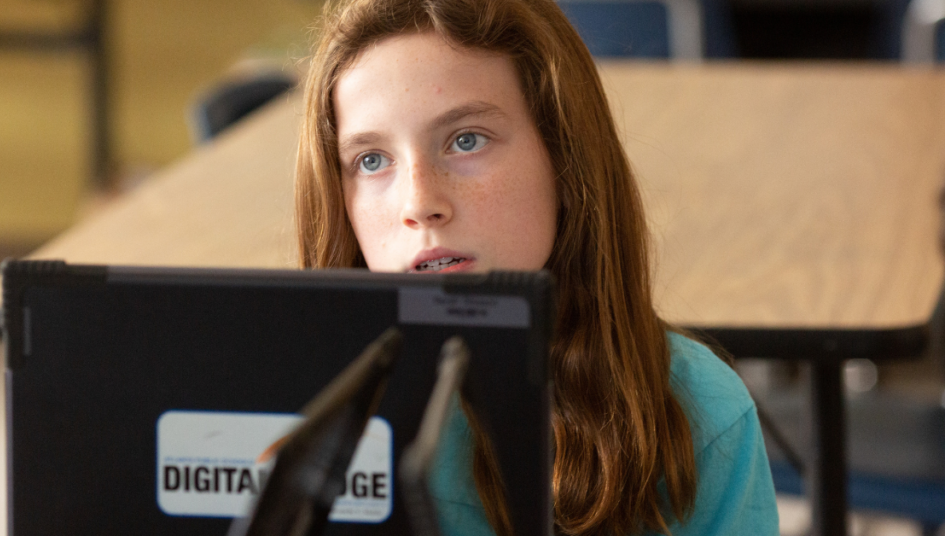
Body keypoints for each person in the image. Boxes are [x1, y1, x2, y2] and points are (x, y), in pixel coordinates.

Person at [293, 0, 780, 534]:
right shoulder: (291, 411)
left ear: (564, 157)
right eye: (371, 160)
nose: (419, 203)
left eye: (466, 140)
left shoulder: (699, 410)